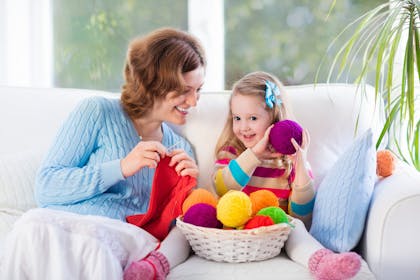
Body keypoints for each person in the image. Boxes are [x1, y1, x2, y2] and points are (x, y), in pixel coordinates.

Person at [0, 27, 206, 280]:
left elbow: (174, 229)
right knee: (31, 230)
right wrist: (121, 167)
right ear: (154, 83)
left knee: (92, 248)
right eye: (185, 90)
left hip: (112, 238)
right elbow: (46, 187)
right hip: (56, 226)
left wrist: (188, 194)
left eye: (199, 90)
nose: (194, 102)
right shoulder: (97, 112)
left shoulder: (180, 152)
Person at [212, 71, 361, 280]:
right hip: (237, 232)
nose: (243, 127)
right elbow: (224, 188)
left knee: (297, 226)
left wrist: (300, 164)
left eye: (252, 118)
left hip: (275, 235)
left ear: (274, 119)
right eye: (237, 118)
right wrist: (254, 155)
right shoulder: (233, 153)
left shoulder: (288, 162)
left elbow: (303, 215)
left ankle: (323, 262)